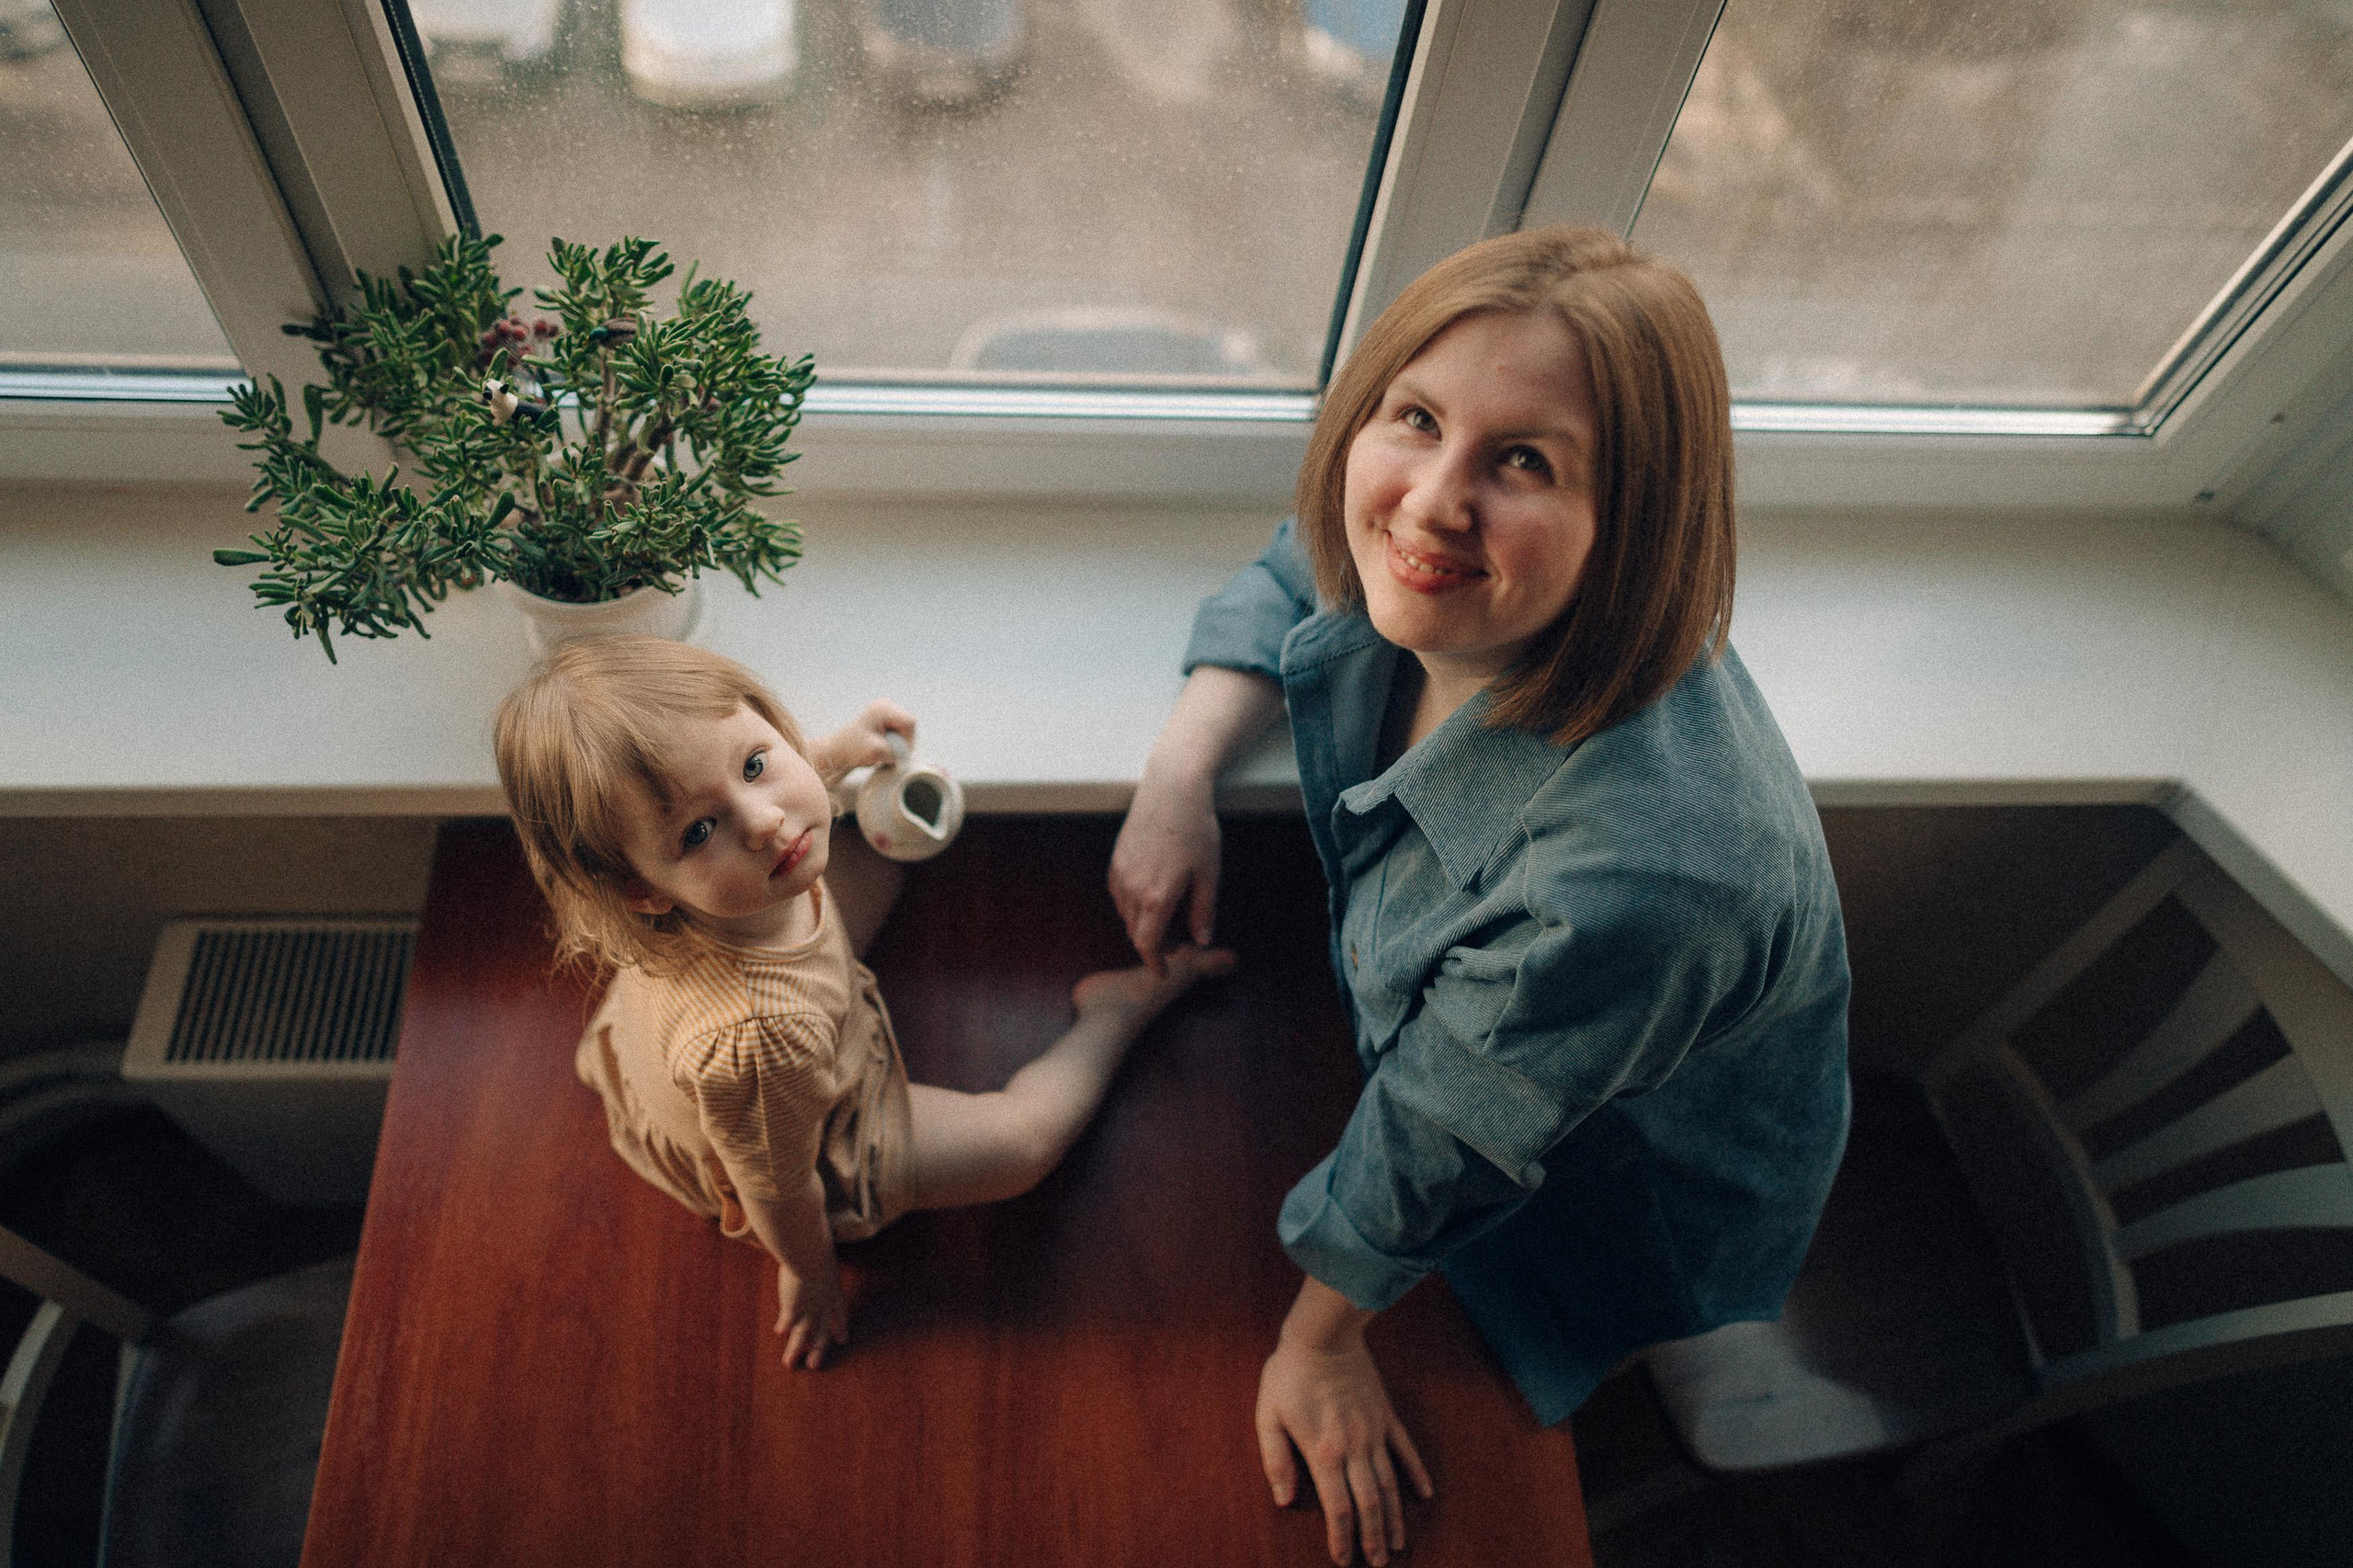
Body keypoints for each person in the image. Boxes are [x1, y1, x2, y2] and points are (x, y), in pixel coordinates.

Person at [1109, 226, 1850, 1567]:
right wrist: (1179, 775)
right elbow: (1306, 557)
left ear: (1633, 523)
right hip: (1472, 1088)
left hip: (1606, 1196)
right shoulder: (1433, 560)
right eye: (1416, 418)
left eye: (1524, 461)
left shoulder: (1640, 878)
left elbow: (1443, 1144)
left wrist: (1318, 1345)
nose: (1430, 500)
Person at [496, 634, 1231, 1372]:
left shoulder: (733, 859)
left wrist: (839, 753)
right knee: (1022, 1145)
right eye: (696, 833)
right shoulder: (756, 1038)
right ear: (645, 892)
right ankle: (1112, 1012)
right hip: (809, 1132)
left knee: (880, 860)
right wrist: (809, 1275)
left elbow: (741, 789)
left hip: (727, 1030)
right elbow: (778, 1190)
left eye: (756, 764)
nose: (764, 824)